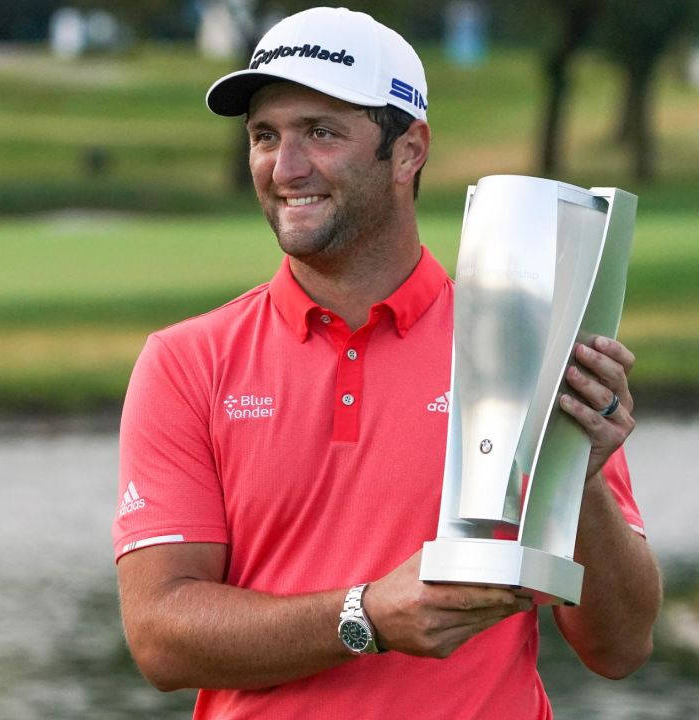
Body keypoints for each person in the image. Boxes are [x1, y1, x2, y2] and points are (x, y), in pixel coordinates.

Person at [111, 7, 661, 719]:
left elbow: (619, 649)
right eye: (265, 136)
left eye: (321, 132)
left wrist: (575, 480)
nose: (286, 167)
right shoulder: (188, 362)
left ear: (408, 152)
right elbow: (161, 637)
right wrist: (364, 616)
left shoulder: (525, 348)